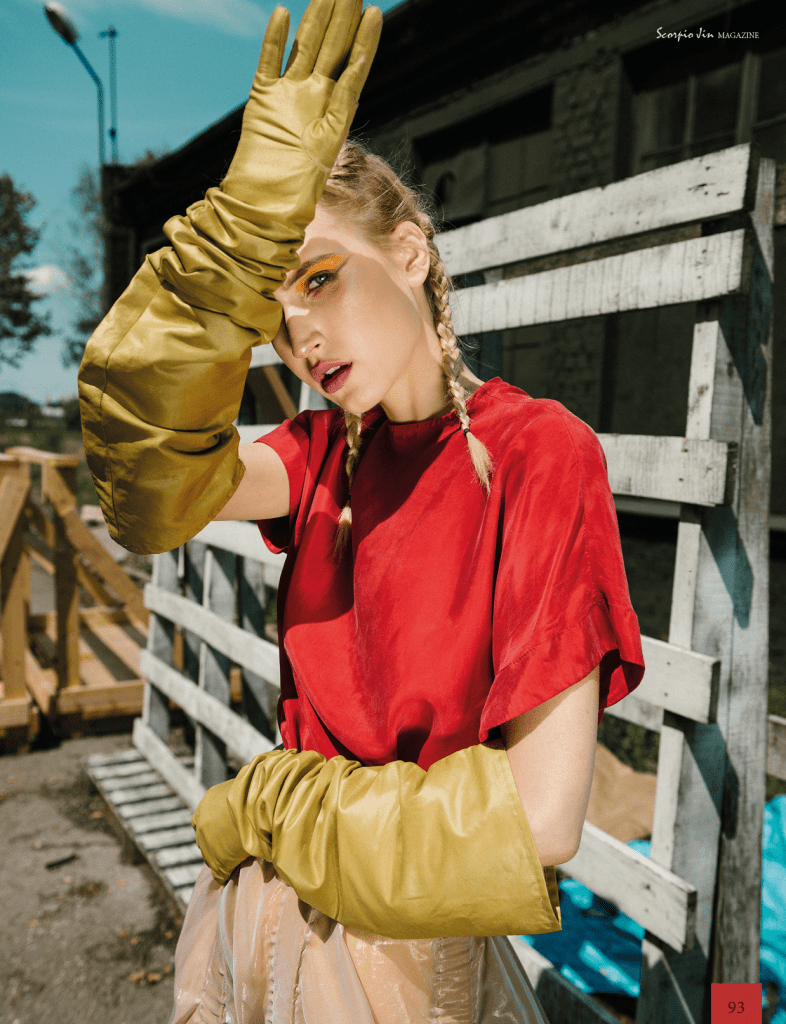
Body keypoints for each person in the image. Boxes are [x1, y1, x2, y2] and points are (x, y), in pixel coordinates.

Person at [78, 0, 645, 1020]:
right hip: (250, 921)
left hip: (399, 953)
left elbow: (541, 817)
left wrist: (272, 800)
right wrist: (224, 257)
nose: (301, 335)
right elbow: (144, 484)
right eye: (274, 314)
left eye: (320, 279)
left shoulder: (538, 452)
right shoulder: (316, 455)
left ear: (411, 253)